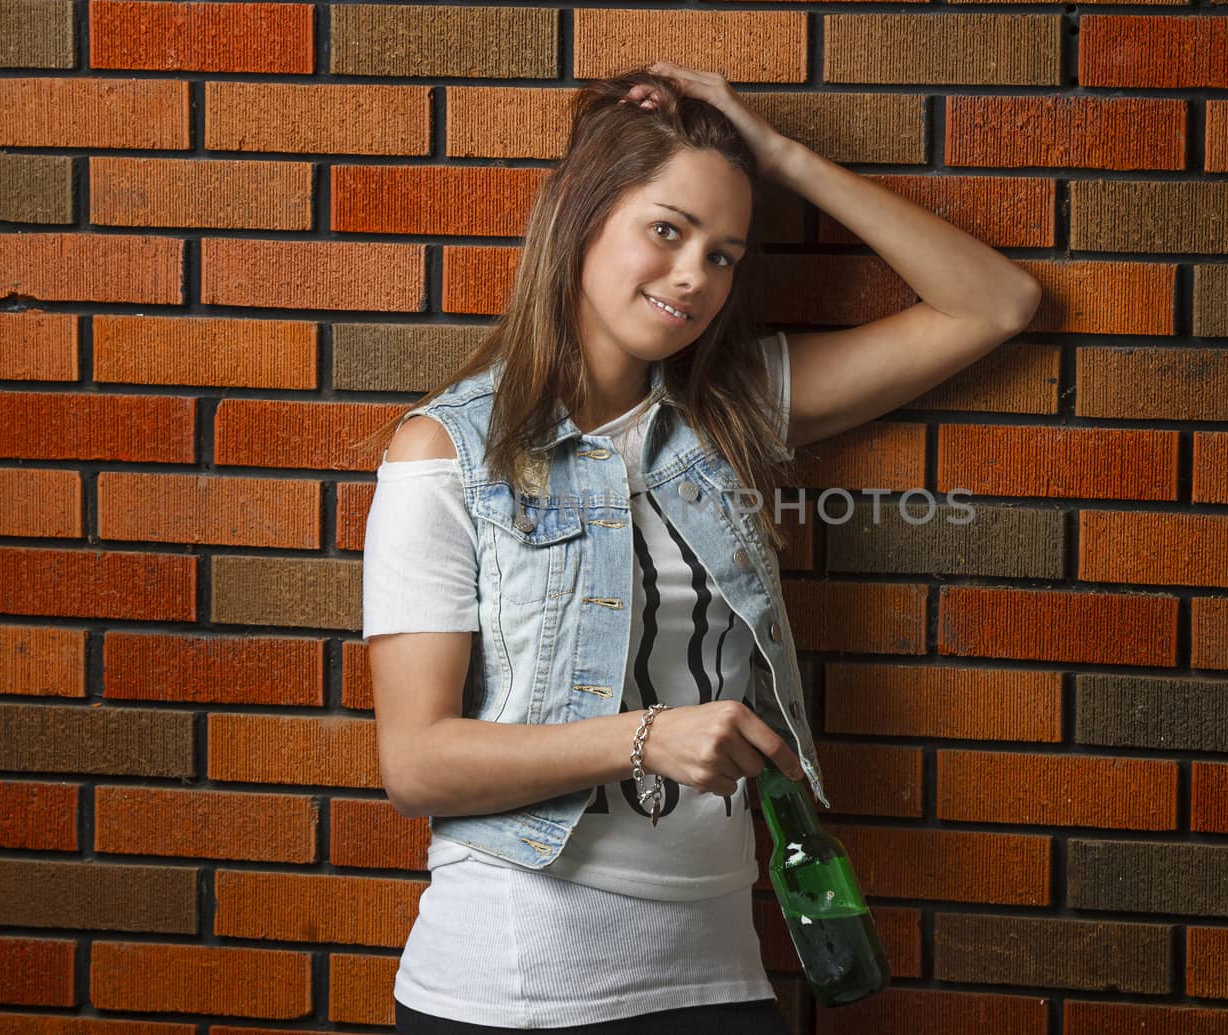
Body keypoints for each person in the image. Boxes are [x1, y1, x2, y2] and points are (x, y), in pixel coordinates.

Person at [357, 62, 1041, 1034]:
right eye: (666, 229)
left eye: (724, 254)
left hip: (716, 973)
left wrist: (780, 155)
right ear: (579, 216)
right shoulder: (449, 453)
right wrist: (645, 736)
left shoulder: (725, 417)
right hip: (521, 984)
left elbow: (995, 303)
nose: (693, 276)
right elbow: (416, 761)